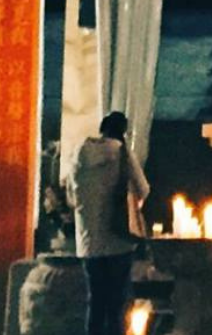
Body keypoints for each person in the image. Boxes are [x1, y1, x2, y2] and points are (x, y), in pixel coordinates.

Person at [68, 112, 148, 335]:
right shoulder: (121, 153)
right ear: (122, 131)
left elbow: (71, 198)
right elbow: (143, 188)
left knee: (96, 302)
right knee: (116, 305)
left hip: (88, 242)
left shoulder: (78, 154)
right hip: (118, 240)